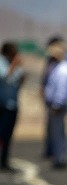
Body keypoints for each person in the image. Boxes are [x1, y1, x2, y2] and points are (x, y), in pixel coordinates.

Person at [43, 41, 67, 170]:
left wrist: (57, 104)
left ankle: (60, 158)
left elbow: (62, 88)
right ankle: (58, 157)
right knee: (57, 132)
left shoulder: (63, 69)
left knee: (58, 132)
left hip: (58, 105)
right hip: (56, 103)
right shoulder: (59, 67)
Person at [0, 41, 25, 173]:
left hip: (12, 104)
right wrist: (14, 65)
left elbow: (19, 80)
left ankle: (4, 161)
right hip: (1, 105)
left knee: (7, 135)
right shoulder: (1, 63)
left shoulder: (13, 65)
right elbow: (4, 77)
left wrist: (19, 69)